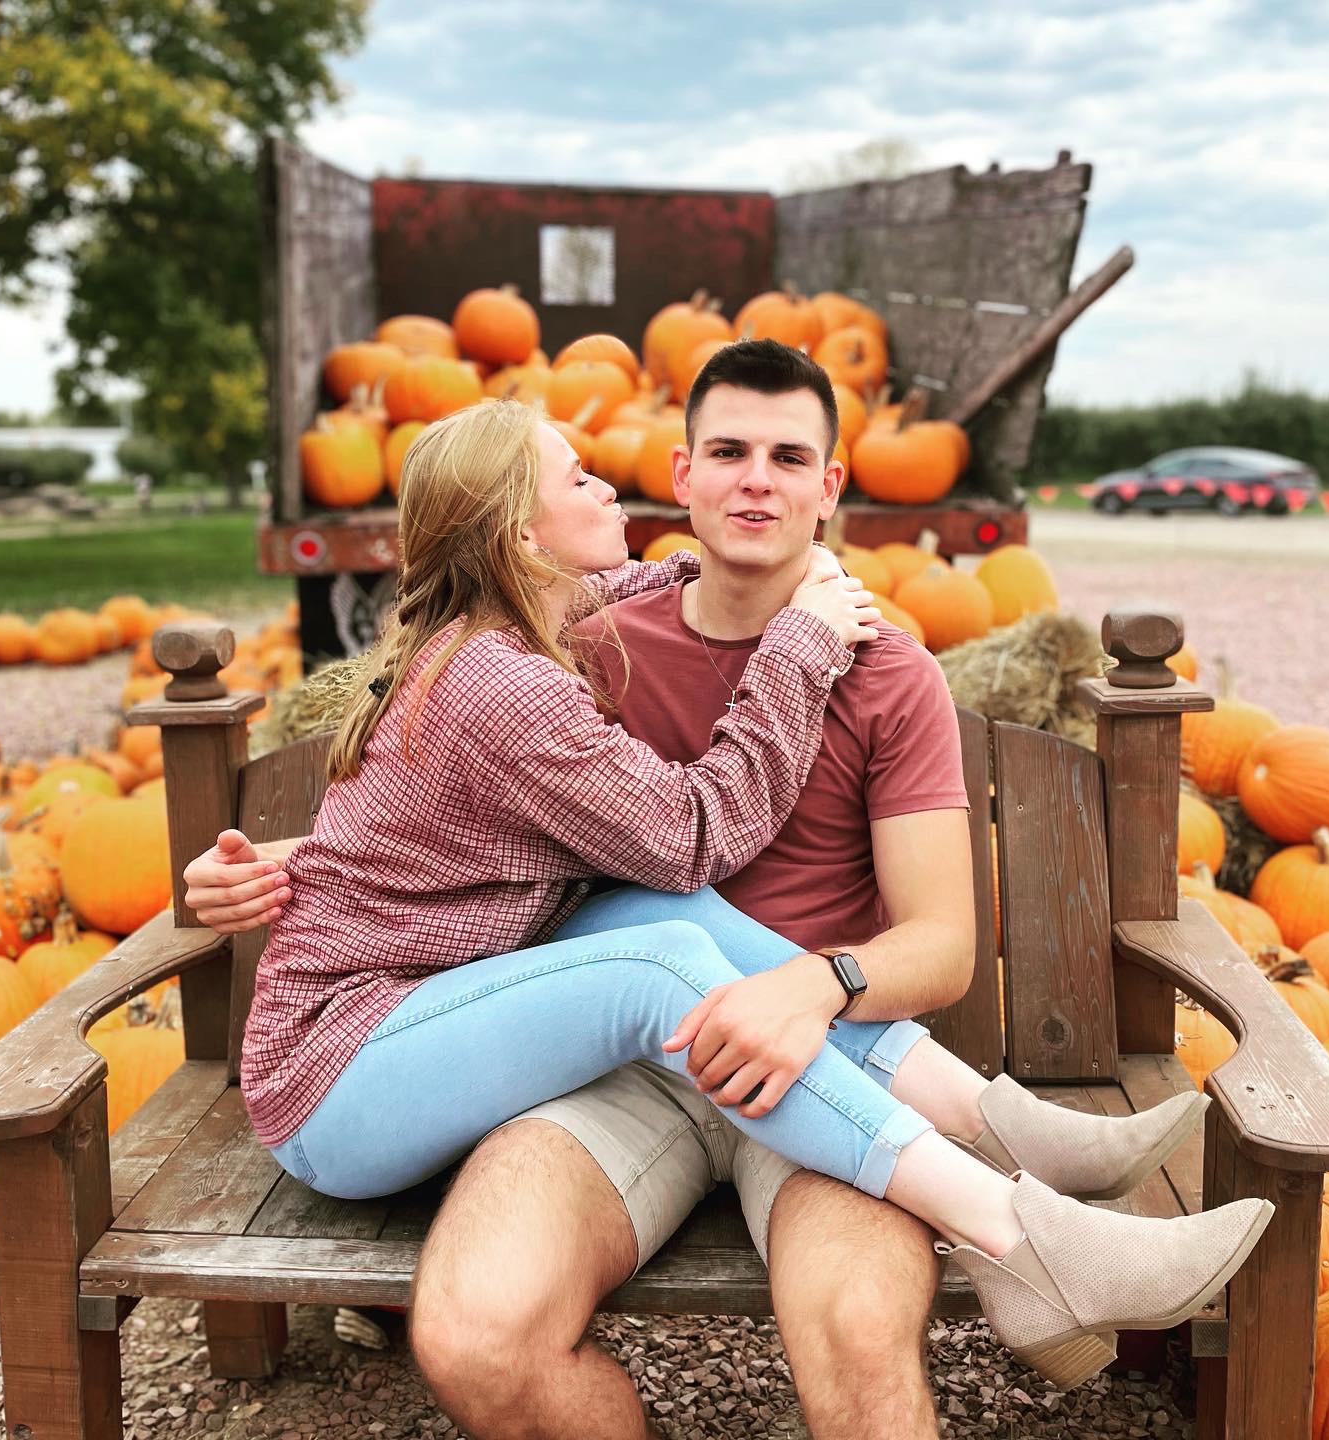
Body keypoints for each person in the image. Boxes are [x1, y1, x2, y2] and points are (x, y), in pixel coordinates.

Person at [184, 345, 1271, 1434]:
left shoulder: (841, 659)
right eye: (725, 454)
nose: (753, 480)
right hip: (506, 1062)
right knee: (660, 943)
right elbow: (680, 832)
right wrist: (794, 643)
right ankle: (1015, 1229)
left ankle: (1000, 1127)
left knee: (659, 923)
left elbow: (439, 831)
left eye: (789, 456)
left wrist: (813, 986)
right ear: (686, 473)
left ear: (831, 486)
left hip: (807, 1041)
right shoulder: (558, 660)